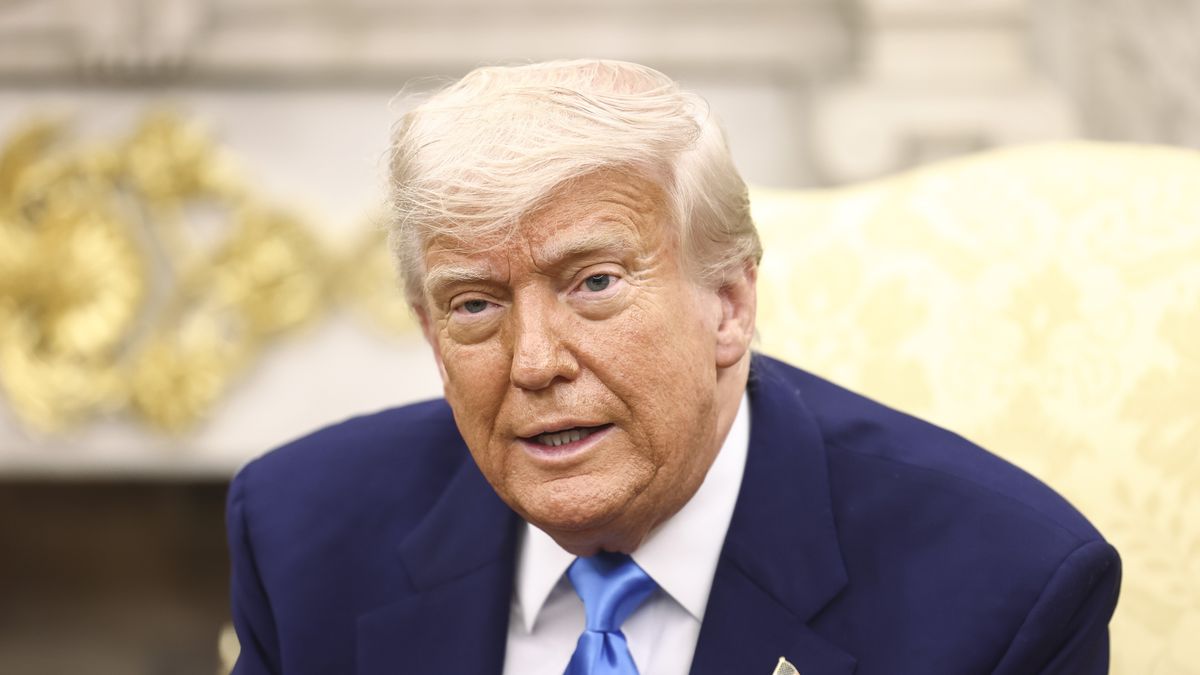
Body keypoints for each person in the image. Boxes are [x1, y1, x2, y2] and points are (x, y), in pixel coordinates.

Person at [226, 60, 1121, 675]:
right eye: (475, 304)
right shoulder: (301, 536)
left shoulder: (1005, 587)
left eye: (595, 283)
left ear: (729, 303)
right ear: (430, 332)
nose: (534, 363)